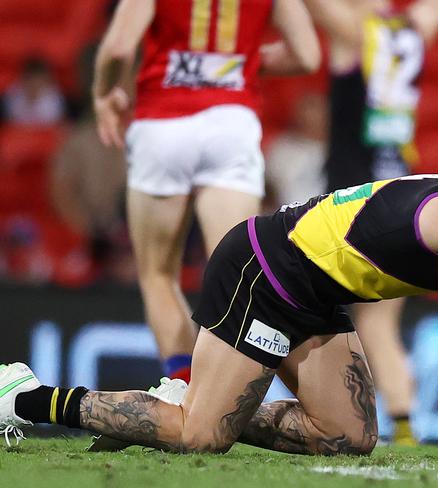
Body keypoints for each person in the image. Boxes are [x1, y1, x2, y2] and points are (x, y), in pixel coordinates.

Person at [1, 169, 438, 461]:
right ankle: (26, 396)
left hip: (315, 293)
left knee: (349, 438)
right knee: (199, 437)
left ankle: (191, 400)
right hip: (266, 270)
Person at [92, 0, 320, 382]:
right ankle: (308, 396)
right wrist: (240, 62)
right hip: (231, 123)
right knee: (243, 276)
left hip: (163, 124)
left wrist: (102, 93)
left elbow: (117, 48)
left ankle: (184, 392)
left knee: (158, 275)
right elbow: (308, 55)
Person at [302, 0, 438, 444]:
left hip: (349, 206)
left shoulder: (353, 34)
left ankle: (313, 414)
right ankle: (405, 427)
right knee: (378, 325)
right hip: (400, 200)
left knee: (307, 309)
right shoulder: (409, 34)